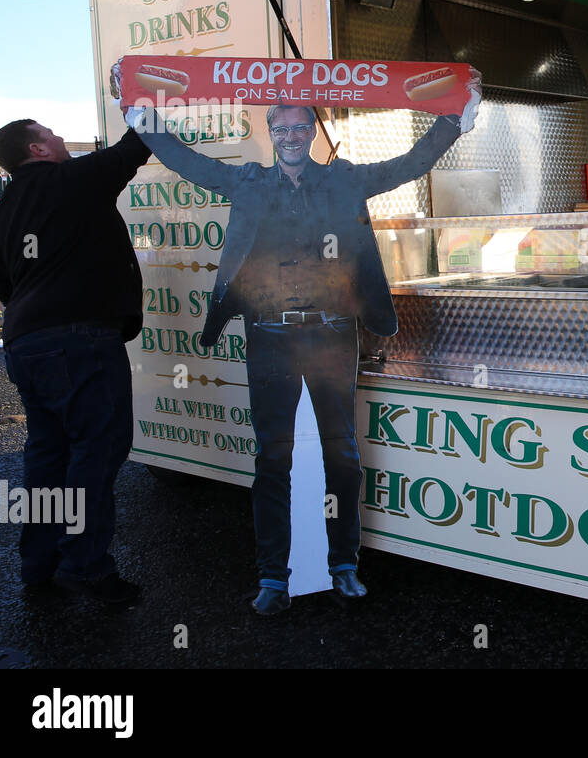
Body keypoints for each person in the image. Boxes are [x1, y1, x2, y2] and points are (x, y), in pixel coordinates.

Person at [120, 69, 480, 615]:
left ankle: (344, 565)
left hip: (334, 335)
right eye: (280, 128)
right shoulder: (247, 182)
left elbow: (410, 164)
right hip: (267, 338)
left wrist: (455, 119)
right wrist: (144, 121)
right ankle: (272, 575)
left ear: (312, 129)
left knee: (343, 453)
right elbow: (187, 161)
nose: (290, 135)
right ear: (272, 133)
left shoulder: (344, 180)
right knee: (272, 457)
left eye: (299, 126)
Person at [0, 118, 151, 604]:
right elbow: (134, 148)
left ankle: (39, 564)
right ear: (37, 149)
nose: (60, 139)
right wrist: (144, 105)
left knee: (47, 456)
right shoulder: (69, 181)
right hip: (81, 345)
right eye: (51, 133)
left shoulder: (4, 211)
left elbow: (3, 282)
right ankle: (87, 567)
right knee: (95, 456)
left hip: (26, 346)